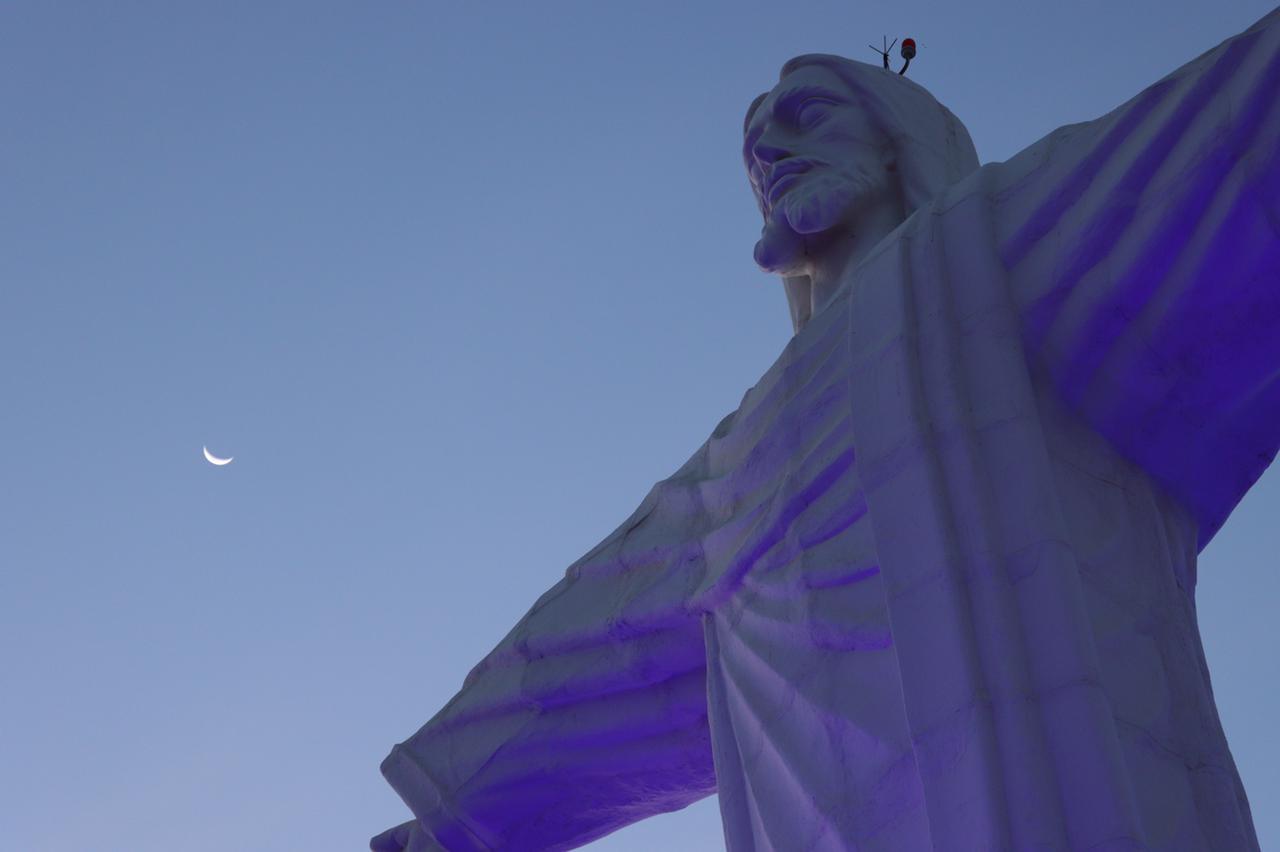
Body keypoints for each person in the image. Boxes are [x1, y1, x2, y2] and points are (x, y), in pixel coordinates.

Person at [374, 9, 1280, 849]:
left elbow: (1225, 150)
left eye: (807, 115)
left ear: (898, 145)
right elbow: (591, 647)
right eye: (755, 148)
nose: (770, 150)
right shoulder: (734, 463)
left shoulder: (1002, 253)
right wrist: (458, 827)